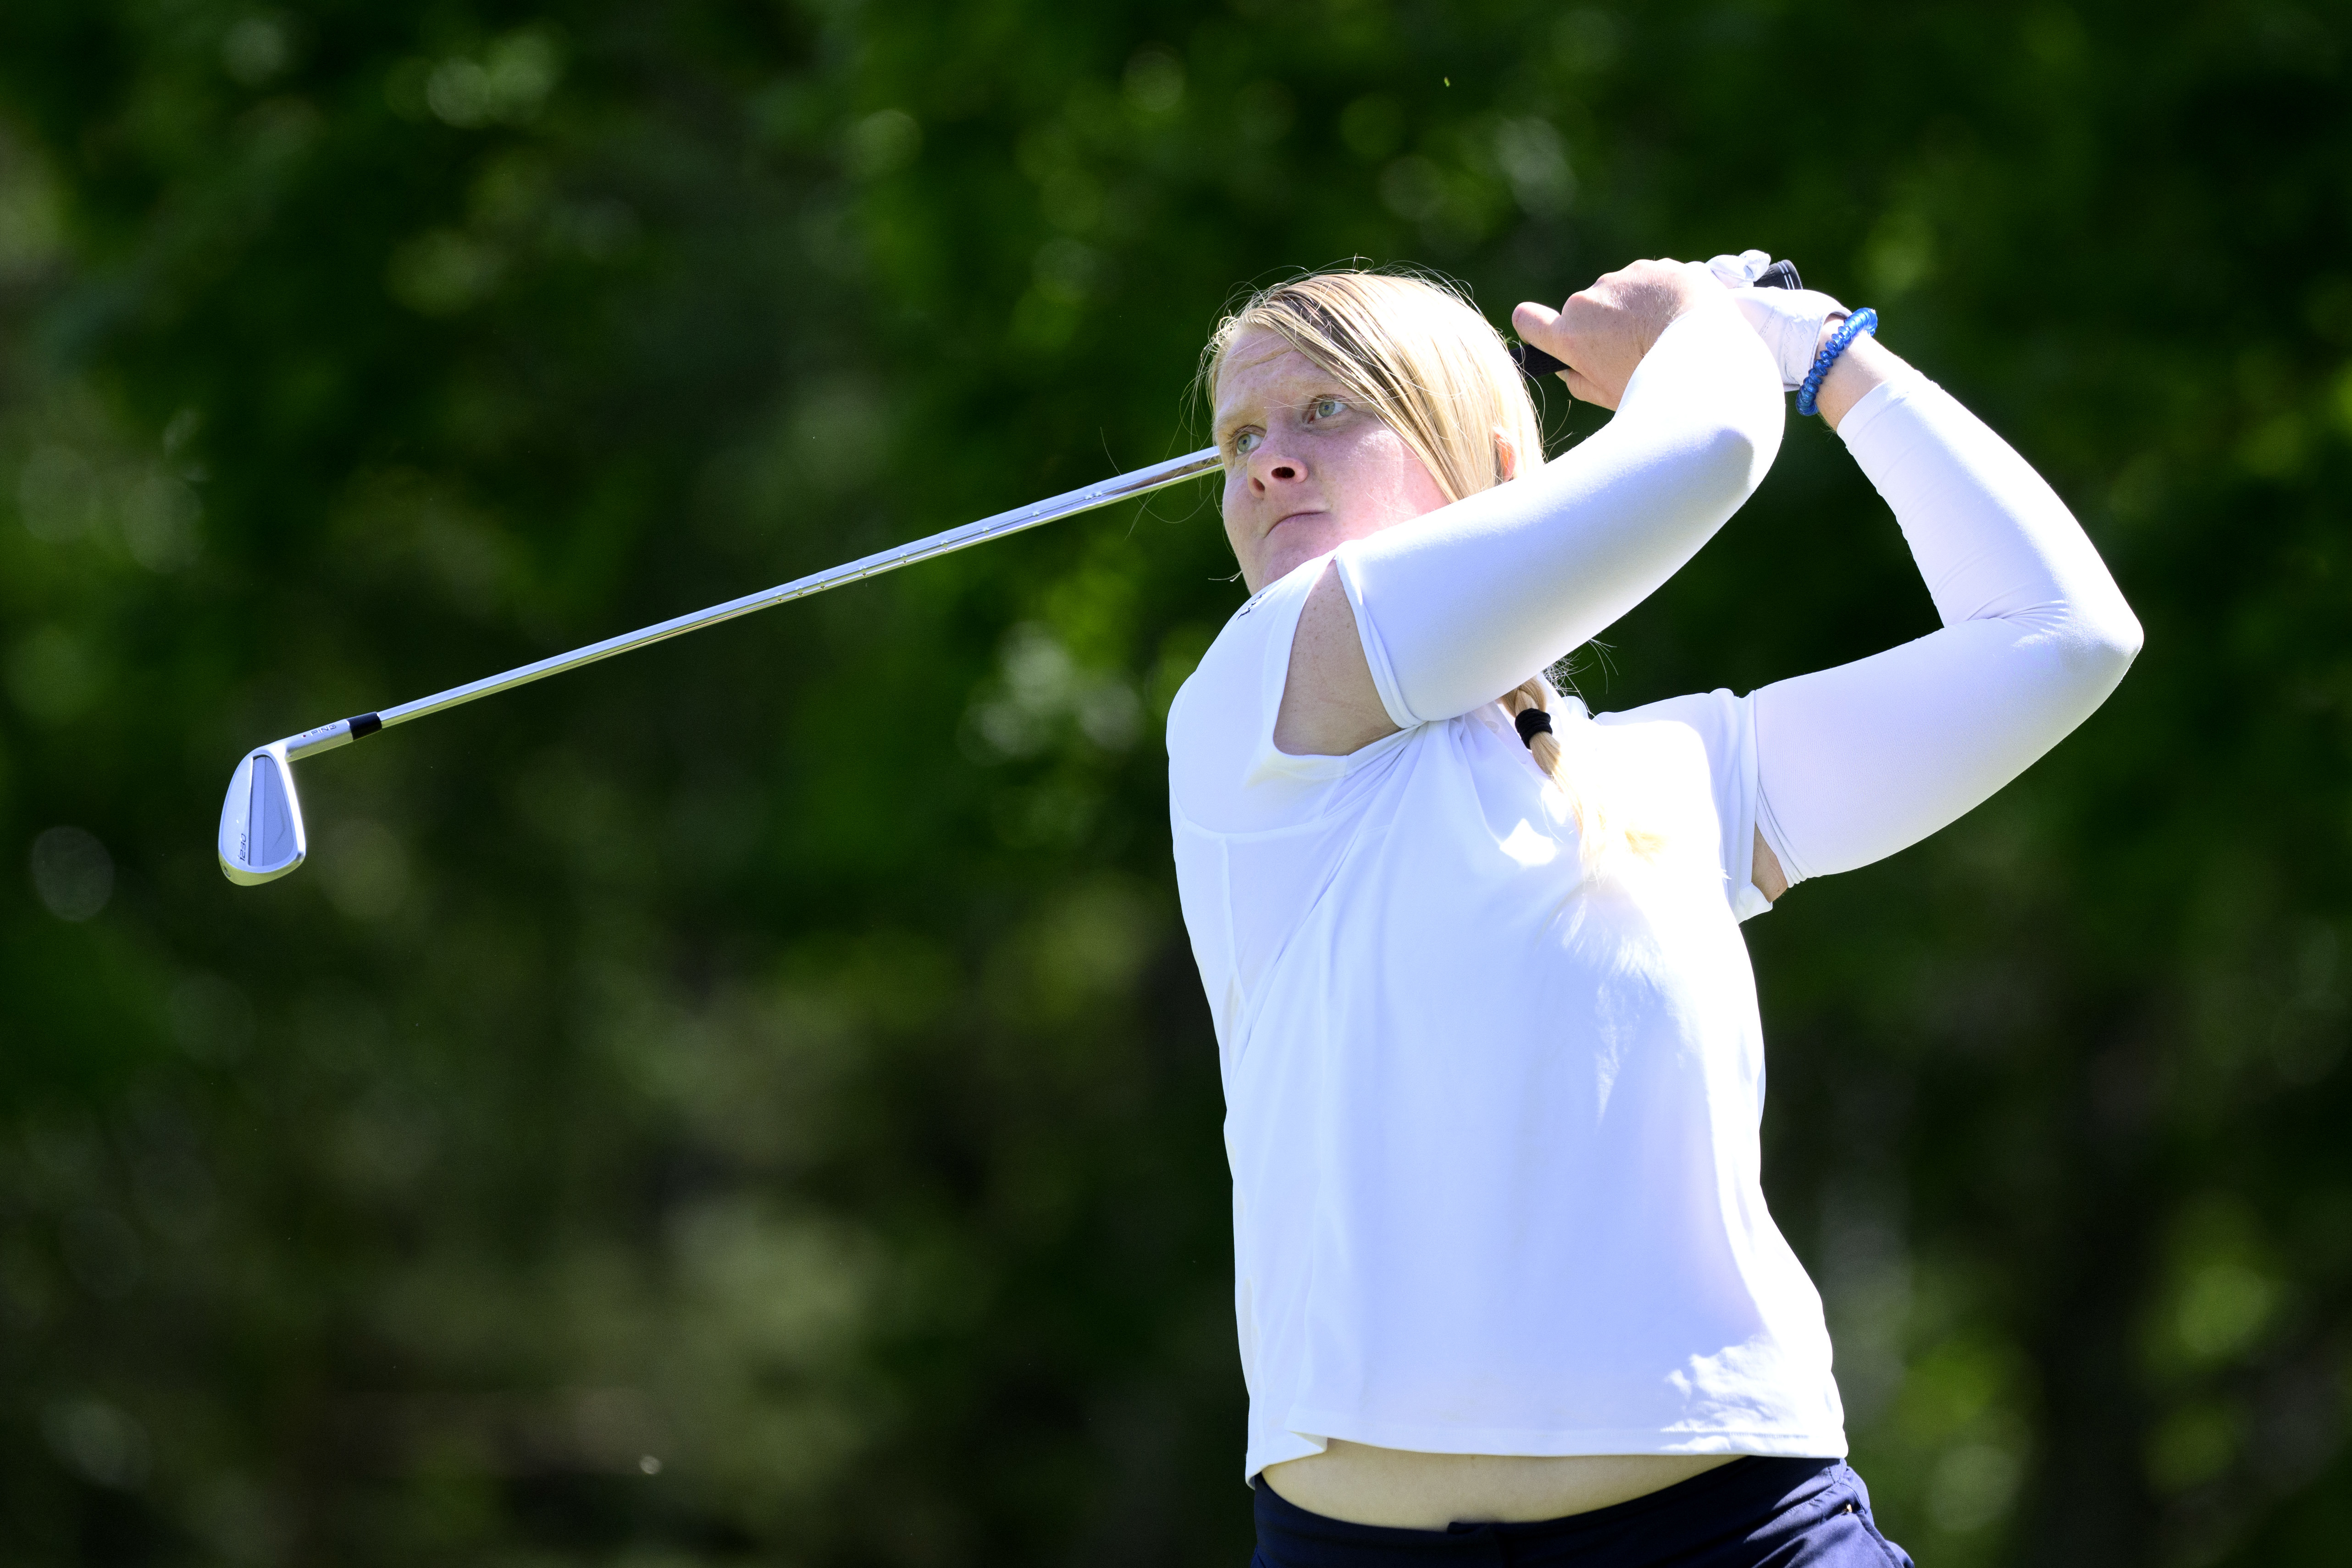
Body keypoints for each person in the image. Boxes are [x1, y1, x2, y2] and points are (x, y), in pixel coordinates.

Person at [1165, 255, 2142, 1566]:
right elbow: (1709, 446)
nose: (1268, 461)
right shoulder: (1251, 703)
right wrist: (1699, 327)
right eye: (1240, 436)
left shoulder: (1671, 777)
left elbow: (2061, 633)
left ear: (1504, 466)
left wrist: (1818, 351)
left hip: (1743, 1536)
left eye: (1332, 409)